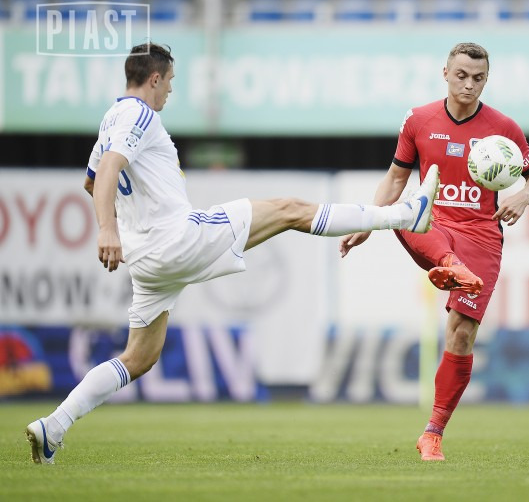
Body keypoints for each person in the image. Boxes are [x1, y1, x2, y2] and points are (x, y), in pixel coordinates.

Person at [25, 42, 441, 465]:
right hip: (176, 238)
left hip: (147, 258)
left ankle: (53, 426)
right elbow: (109, 171)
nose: (170, 90)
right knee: (289, 210)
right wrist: (107, 229)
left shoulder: (110, 118)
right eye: (170, 81)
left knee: (139, 357)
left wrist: (131, 220)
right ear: (154, 78)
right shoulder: (139, 114)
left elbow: (92, 181)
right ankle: (406, 214)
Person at [339, 42, 529, 461]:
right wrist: (367, 222)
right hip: (432, 224)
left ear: (486, 79)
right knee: (406, 212)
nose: (469, 84)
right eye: (461, 75)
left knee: (462, 334)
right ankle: (451, 266)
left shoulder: (503, 128)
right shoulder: (419, 120)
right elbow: (396, 179)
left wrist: (522, 197)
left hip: (481, 235)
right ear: (445, 73)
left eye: (478, 78)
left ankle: (432, 433)